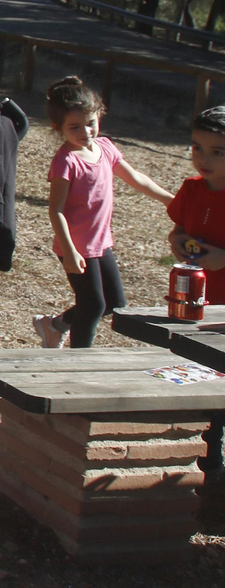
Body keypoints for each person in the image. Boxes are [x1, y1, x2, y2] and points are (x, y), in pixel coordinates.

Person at [30, 76, 172, 349]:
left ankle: (54, 326)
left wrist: (169, 200)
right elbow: (56, 210)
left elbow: (136, 178)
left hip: (100, 242)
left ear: (99, 115)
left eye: (90, 123)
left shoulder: (105, 148)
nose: (85, 132)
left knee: (115, 303)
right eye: (74, 127)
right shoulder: (66, 162)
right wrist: (69, 251)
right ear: (57, 127)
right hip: (76, 245)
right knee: (93, 305)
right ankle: (78, 360)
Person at [166, 104, 225, 482]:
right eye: (197, 148)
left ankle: (215, 465)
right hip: (193, 306)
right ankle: (195, 460)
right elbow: (177, 231)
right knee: (194, 376)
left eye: (218, 152)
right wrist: (178, 241)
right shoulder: (191, 189)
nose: (204, 159)